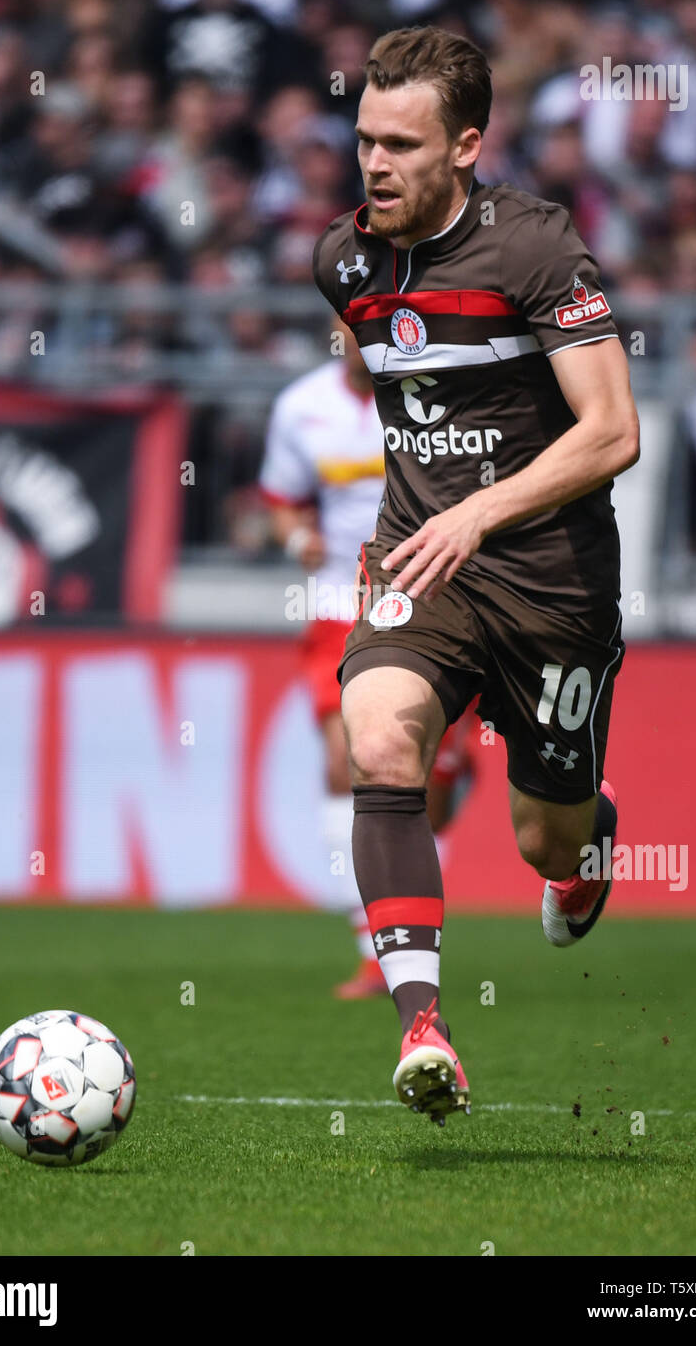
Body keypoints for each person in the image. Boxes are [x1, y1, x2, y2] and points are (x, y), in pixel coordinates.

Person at [312, 27, 639, 1123]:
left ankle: (586, 841)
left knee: (538, 835)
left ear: (464, 145)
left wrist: (483, 508)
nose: (373, 166)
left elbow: (610, 433)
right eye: (363, 141)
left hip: (549, 579)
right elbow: (393, 375)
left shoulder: (537, 251)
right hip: (421, 560)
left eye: (400, 145)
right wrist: (434, 511)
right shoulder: (343, 262)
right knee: (379, 736)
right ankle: (421, 1023)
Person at [260, 317, 479, 999]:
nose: (358, 339)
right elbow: (283, 501)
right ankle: (374, 952)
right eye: (347, 327)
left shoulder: (441, 400)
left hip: (434, 597)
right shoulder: (301, 408)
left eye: (371, 326)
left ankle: (452, 770)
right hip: (338, 603)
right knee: (346, 760)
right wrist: (297, 540)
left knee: (425, 786)